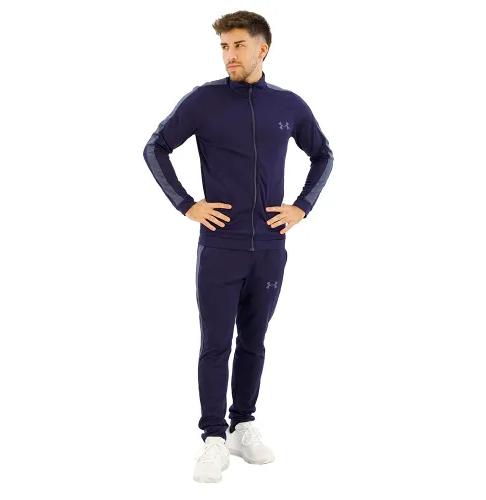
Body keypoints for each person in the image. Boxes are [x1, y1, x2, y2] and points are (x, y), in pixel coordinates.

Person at [143, 10, 334, 483]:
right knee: (215, 343)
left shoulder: (288, 105)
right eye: (224, 47)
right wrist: (187, 204)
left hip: (270, 245)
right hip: (221, 245)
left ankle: (242, 425)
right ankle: (212, 438)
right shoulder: (204, 101)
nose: (229, 55)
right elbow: (155, 147)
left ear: (262, 49)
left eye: (238, 45)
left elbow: (323, 154)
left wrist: (302, 207)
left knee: (253, 339)